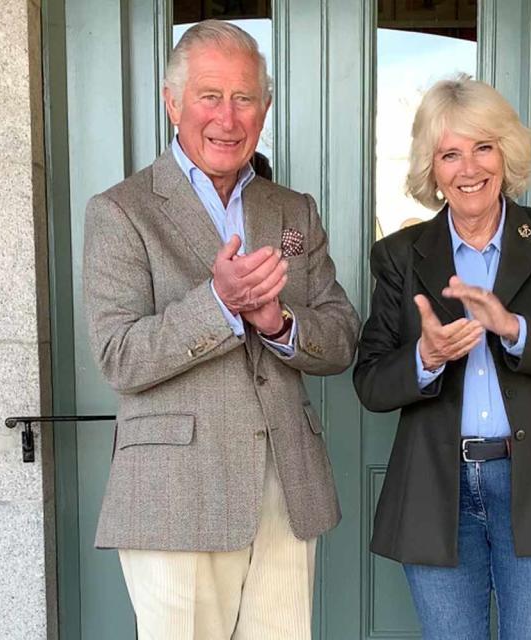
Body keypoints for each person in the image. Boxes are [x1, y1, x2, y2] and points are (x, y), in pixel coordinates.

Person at [82, 20, 359, 640]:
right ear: (173, 102)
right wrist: (219, 305)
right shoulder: (121, 210)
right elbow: (118, 355)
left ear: (265, 109)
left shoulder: (292, 210)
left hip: (287, 490)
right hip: (175, 494)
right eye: (210, 96)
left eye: (244, 99)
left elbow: (341, 334)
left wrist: (280, 321)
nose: (227, 118)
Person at [353, 75, 531, 639]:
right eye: (450, 153)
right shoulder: (399, 256)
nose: (468, 168)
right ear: (433, 168)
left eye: (483, 147)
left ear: (506, 152)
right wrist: (424, 356)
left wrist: (514, 328)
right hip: (436, 490)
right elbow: (371, 383)